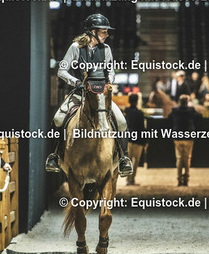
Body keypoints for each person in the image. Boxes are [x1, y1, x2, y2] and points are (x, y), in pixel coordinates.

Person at [45, 14, 133, 177]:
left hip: (101, 96)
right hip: (80, 94)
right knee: (58, 119)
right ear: (93, 32)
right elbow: (62, 71)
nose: (107, 34)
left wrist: (109, 80)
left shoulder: (106, 49)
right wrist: (76, 82)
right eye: (103, 31)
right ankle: (54, 156)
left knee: (121, 122)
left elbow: (111, 71)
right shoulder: (75, 47)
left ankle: (123, 158)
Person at [167, 94, 201, 186]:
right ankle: (186, 179)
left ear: (179, 102)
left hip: (177, 137)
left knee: (179, 158)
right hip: (188, 137)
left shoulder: (174, 110)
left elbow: (169, 118)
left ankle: (179, 179)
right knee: (187, 159)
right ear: (187, 102)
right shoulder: (191, 110)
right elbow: (199, 116)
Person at [124, 93, 146, 185]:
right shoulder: (139, 113)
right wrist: (145, 141)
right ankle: (132, 179)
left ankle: (127, 179)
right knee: (135, 161)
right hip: (138, 140)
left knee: (128, 160)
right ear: (137, 101)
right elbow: (142, 127)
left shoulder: (126, 111)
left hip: (128, 139)